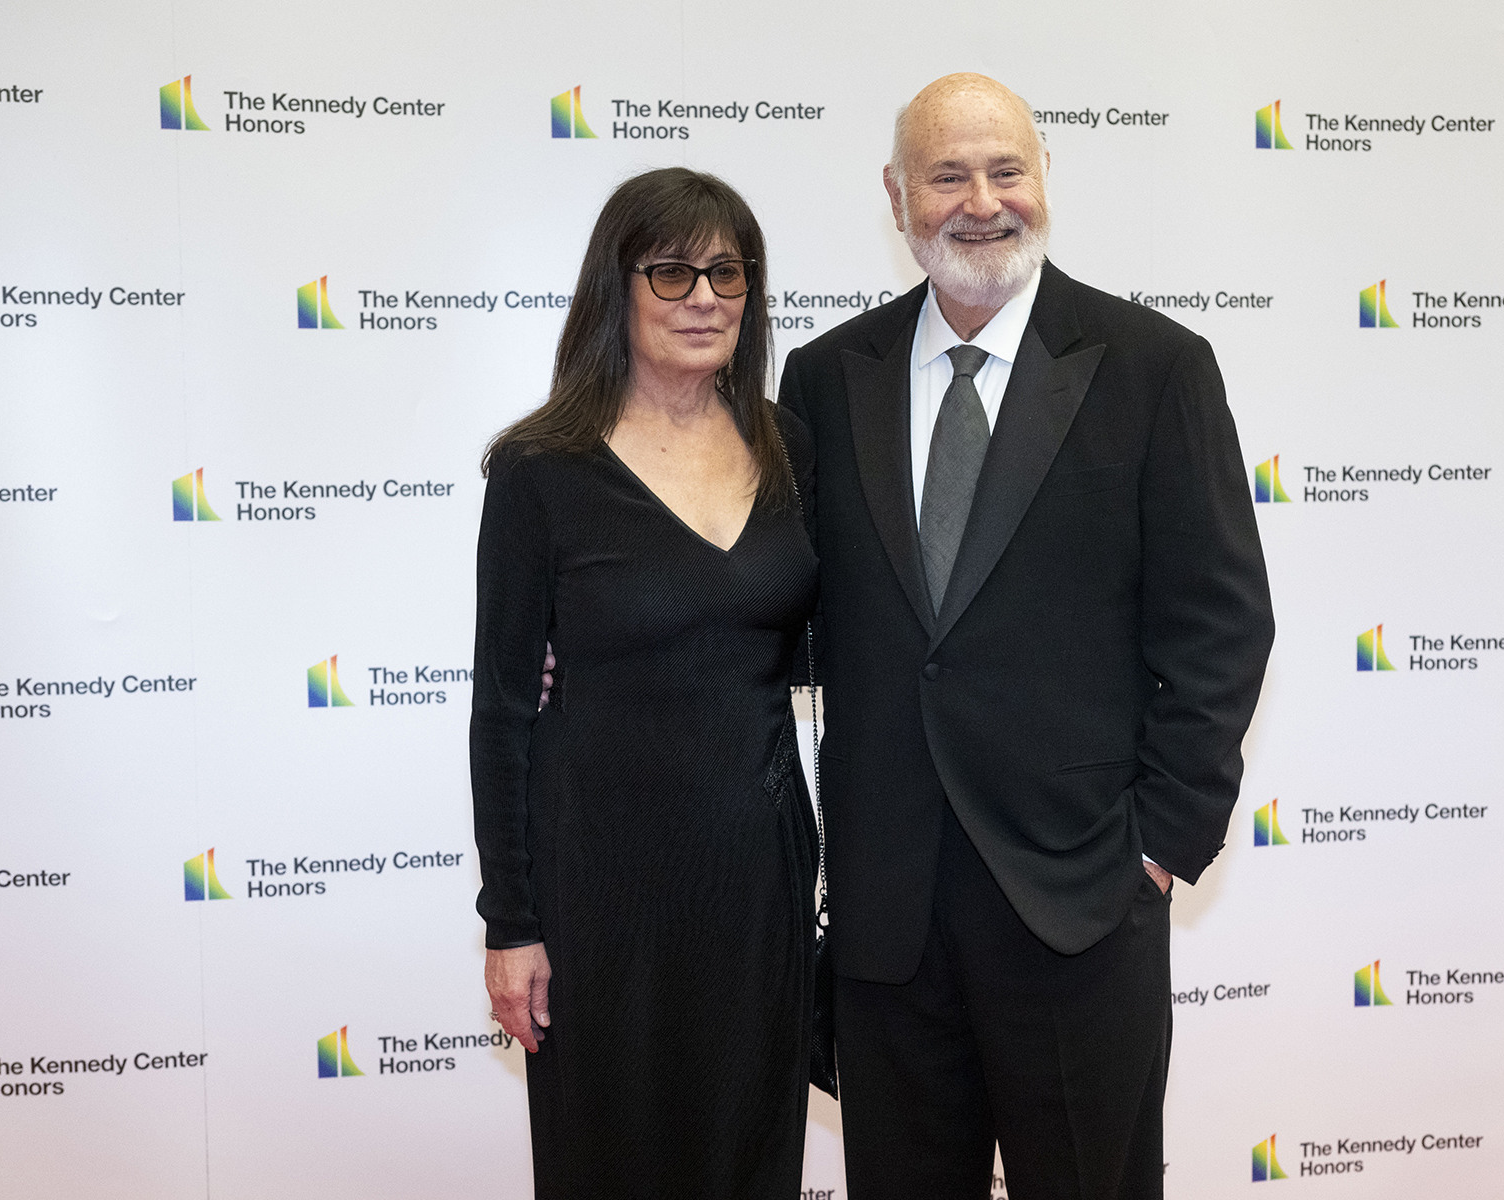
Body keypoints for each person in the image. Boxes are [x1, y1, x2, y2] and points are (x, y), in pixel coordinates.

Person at [778, 74, 1275, 1199]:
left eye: (1006, 169)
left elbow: (1222, 623)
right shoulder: (823, 380)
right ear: (898, 196)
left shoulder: (1156, 369)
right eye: (948, 174)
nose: (981, 201)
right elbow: (787, 608)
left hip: (1081, 905)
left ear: (1046, 176)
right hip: (886, 921)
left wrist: (1155, 846)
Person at [470, 167, 819, 1199]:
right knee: (609, 1160)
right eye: (671, 272)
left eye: (727, 271)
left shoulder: (786, 442)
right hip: (597, 889)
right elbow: (500, 715)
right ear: (615, 288)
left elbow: (813, 641)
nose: (703, 296)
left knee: (749, 1151)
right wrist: (512, 921)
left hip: (756, 877)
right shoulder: (543, 469)